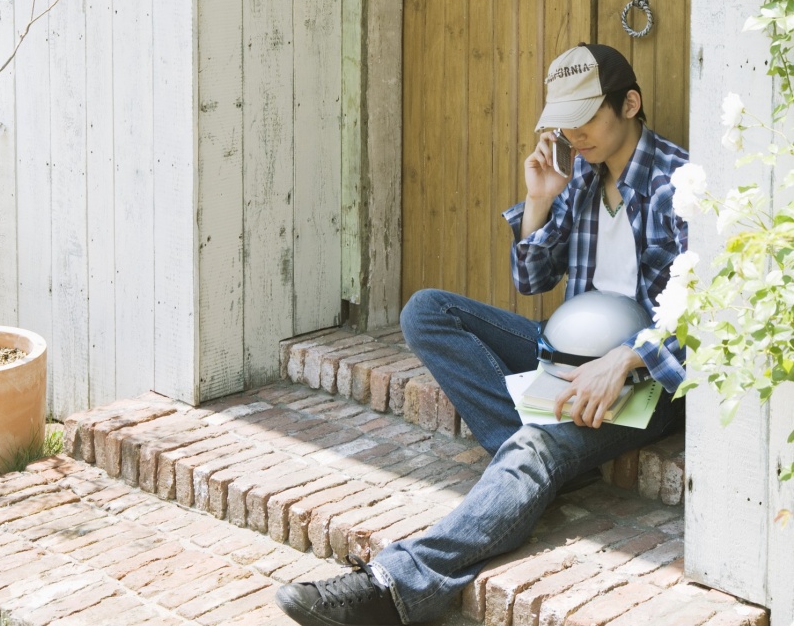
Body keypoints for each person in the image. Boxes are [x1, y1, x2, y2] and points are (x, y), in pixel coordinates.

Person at [276, 43, 689, 626]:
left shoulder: (680, 183)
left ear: (630, 103)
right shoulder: (580, 179)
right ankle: (552, 463)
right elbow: (532, 279)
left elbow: (710, 314)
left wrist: (625, 357)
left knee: (535, 444)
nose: (574, 133)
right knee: (426, 311)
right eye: (564, 121)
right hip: (564, 353)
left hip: (643, 382)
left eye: (587, 117)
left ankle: (397, 587)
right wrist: (540, 202)